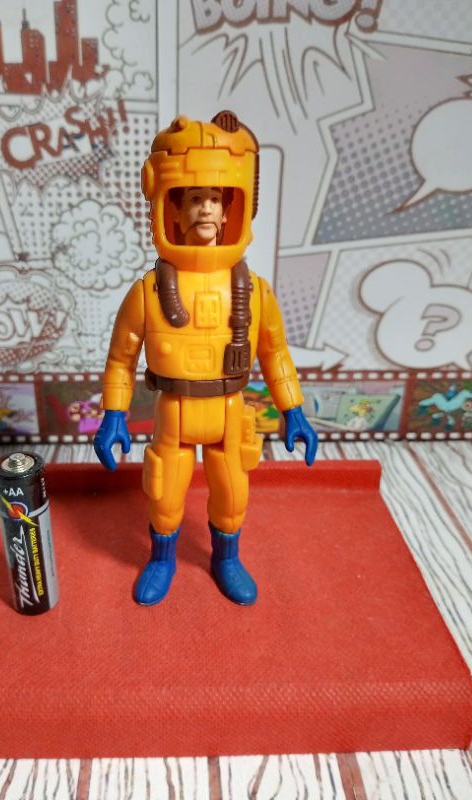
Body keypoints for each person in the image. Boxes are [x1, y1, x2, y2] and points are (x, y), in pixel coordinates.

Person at [94, 111, 317, 606]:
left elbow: (275, 351)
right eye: (194, 198)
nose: (206, 210)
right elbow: (120, 359)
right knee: (164, 495)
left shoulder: (254, 290)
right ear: (172, 209)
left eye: (215, 198)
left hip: (229, 411)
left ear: (232, 208)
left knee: (232, 495)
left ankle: (226, 557)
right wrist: (113, 416)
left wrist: (293, 410)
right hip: (173, 412)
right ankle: (162, 558)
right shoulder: (148, 292)